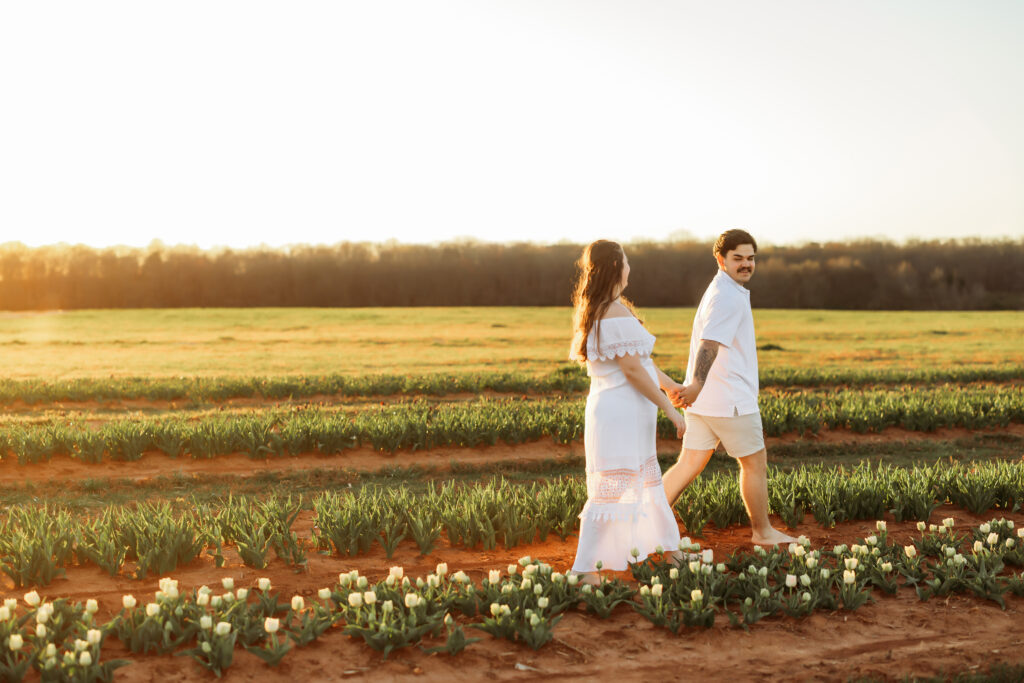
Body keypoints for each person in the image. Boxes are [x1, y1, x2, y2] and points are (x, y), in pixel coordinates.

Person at [661, 229, 797, 546]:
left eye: (751, 258)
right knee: (754, 463)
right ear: (721, 259)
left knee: (689, 464)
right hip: (730, 400)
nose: (746, 264)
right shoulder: (727, 297)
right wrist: (695, 383)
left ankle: (644, 522)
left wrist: (697, 390)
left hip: (707, 402)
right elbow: (710, 343)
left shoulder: (721, 289)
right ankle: (763, 532)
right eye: (738, 258)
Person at [568, 240, 687, 583]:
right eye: (627, 260)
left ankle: (670, 551)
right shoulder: (613, 312)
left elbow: (641, 364)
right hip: (620, 414)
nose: (630, 266)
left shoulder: (606, 307)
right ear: (616, 266)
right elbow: (633, 371)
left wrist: (670, 386)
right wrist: (669, 409)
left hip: (623, 413)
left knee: (644, 480)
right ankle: (584, 570)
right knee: (613, 486)